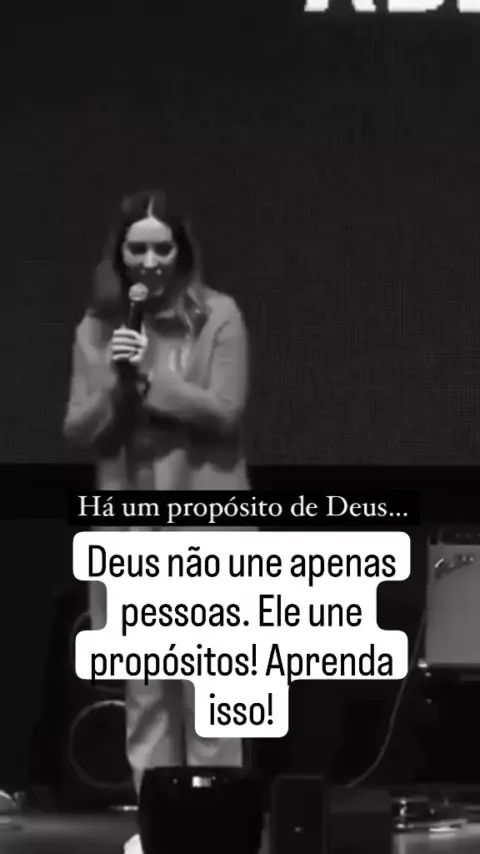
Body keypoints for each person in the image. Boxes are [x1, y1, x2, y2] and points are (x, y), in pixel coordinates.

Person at [63, 189, 254, 854]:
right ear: (120, 254)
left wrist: (150, 375)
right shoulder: (96, 328)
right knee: (146, 690)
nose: (149, 260)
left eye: (161, 247)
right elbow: (78, 426)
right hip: (130, 530)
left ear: (181, 251)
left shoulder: (219, 315)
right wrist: (118, 384)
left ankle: (218, 826)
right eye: (136, 247)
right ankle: (160, 827)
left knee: (215, 684)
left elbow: (225, 412)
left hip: (205, 525)